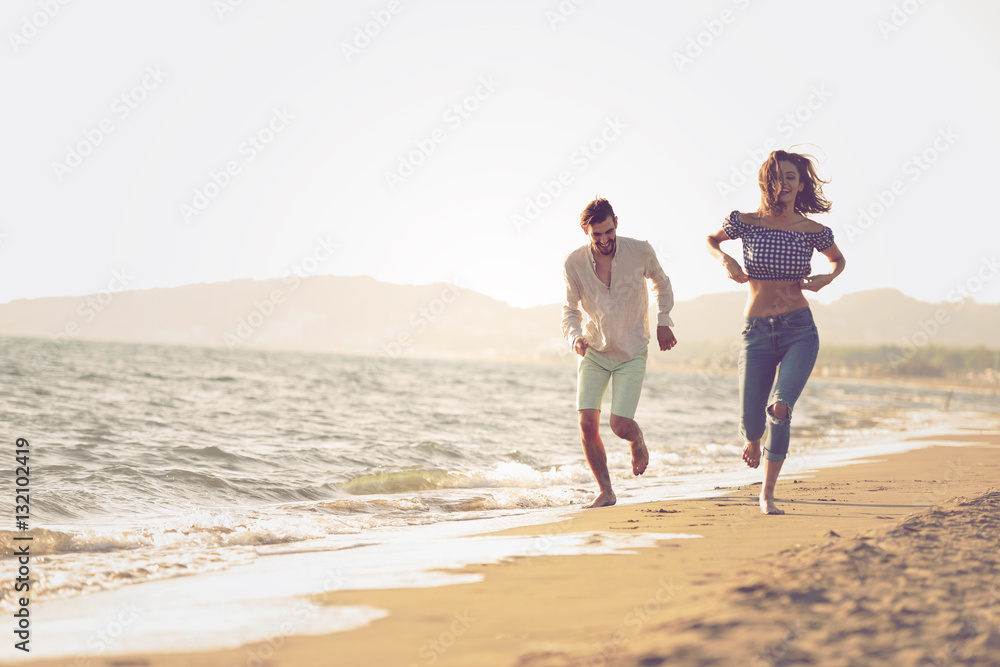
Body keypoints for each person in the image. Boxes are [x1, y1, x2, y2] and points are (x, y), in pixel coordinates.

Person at [706, 149, 845, 514]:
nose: (783, 183)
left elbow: (838, 260)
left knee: (780, 407)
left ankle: (767, 493)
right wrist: (727, 259)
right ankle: (753, 439)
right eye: (778, 176)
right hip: (756, 332)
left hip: (799, 329)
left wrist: (826, 279)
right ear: (766, 181)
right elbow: (712, 240)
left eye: (791, 177)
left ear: (801, 186)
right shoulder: (744, 221)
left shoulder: (813, 230)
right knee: (752, 423)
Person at [562, 197, 677, 508]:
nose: (604, 240)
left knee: (619, 426)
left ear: (616, 222)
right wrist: (574, 337)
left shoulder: (639, 250)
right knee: (586, 422)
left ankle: (636, 439)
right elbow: (570, 310)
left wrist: (663, 320)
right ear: (586, 232)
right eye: (596, 235)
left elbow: (662, 284)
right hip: (594, 351)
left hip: (631, 350)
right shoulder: (573, 263)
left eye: (608, 231)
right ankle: (606, 491)